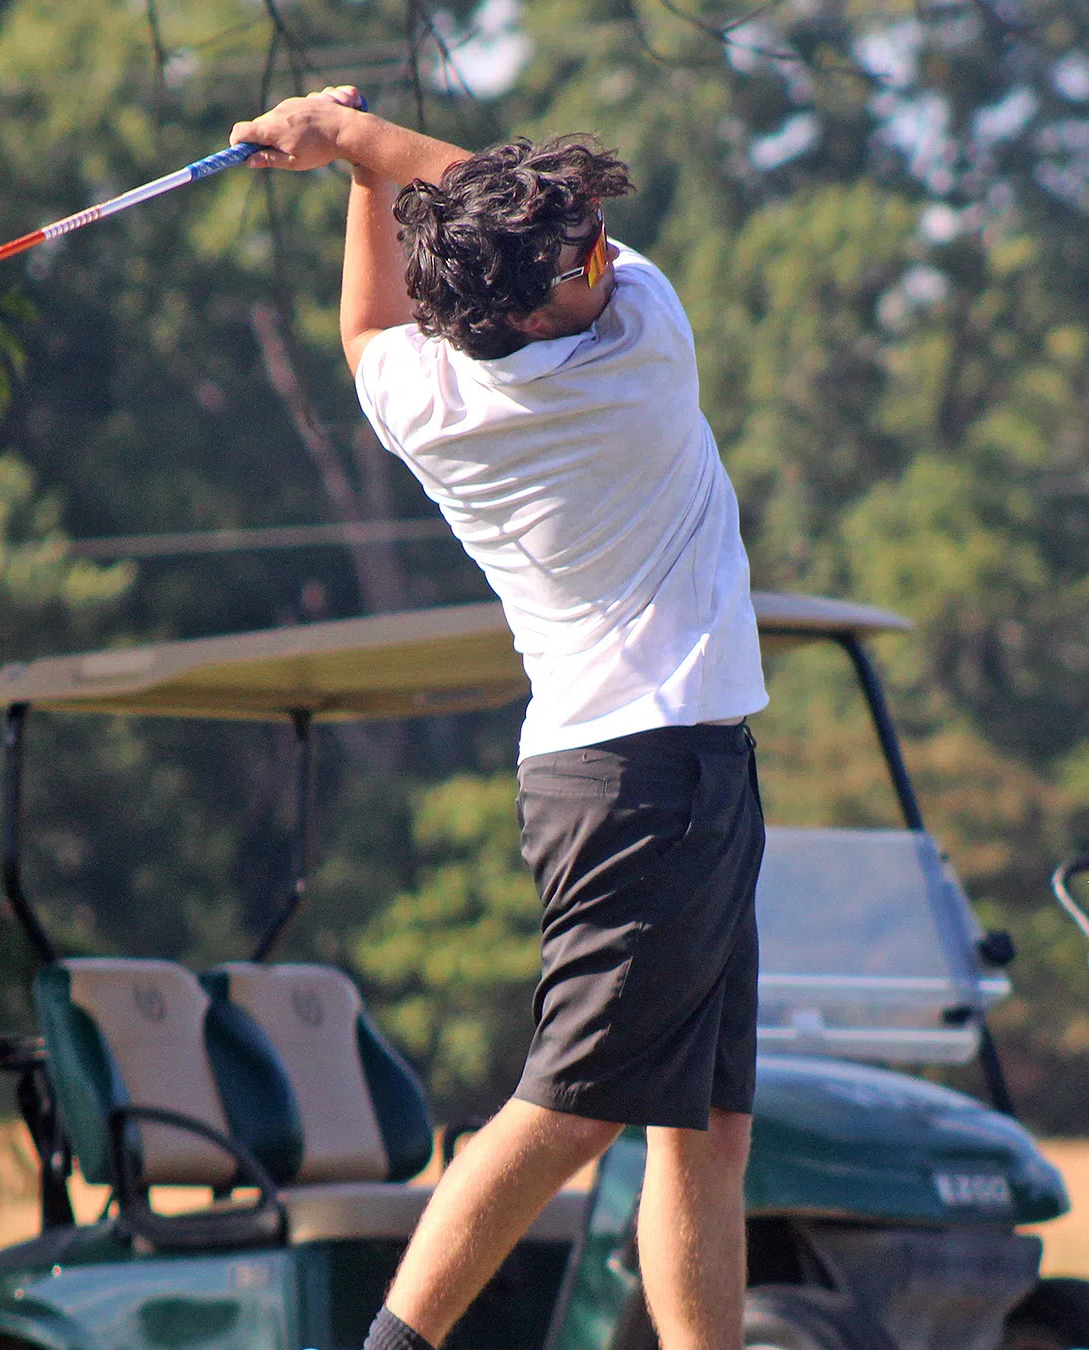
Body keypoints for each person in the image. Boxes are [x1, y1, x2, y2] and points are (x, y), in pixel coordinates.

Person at [230, 89, 769, 1350]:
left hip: (652, 772)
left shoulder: (430, 402)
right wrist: (354, 140)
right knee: (574, 1108)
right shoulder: (643, 340)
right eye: (570, 257)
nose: (595, 250)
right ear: (526, 314)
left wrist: (359, 173)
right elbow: (460, 230)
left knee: (706, 1126)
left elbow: (367, 321)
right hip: (654, 782)